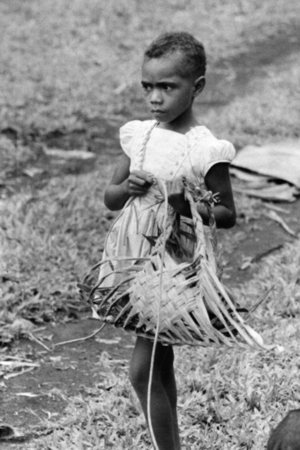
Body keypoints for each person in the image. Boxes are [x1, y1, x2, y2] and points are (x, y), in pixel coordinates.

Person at [99, 32, 236, 449]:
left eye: (167, 87)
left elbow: (227, 215)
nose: (154, 98)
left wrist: (184, 204)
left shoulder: (203, 148)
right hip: (132, 256)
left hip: (170, 262)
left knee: (145, 368)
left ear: (196, 87)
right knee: (157, 364)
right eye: (148, 87)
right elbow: (110, 196)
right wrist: (129, 189)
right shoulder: (139, 135)